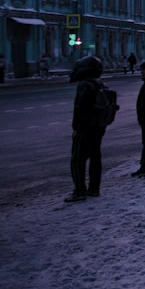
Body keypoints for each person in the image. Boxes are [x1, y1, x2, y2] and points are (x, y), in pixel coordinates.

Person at [65, 55, 108, 202]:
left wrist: (76, 128)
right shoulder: (100, 84)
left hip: (85, 127)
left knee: (77, 159)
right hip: (98, 126)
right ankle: (94, 189)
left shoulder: (85, 85)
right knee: (95, 157)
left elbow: (80, 109)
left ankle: (79, 191)